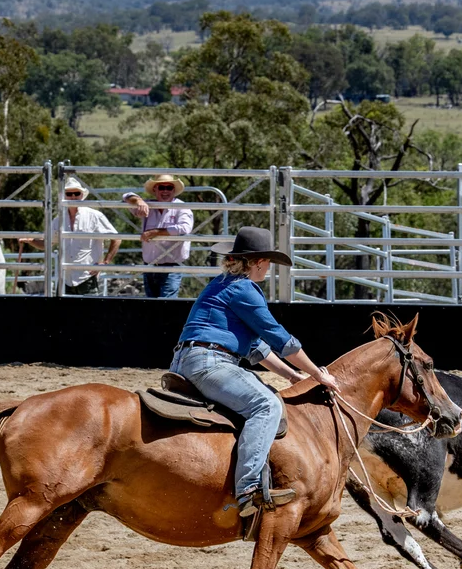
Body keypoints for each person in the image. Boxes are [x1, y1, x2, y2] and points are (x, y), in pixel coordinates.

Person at [171, 227, 340, 536]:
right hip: (210, 362)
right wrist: (318, 374)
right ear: (259, 262)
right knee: (266, 405)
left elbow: (255, 348)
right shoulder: (245, 289)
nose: (269, 269)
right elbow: (278, 337)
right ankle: (248, 487)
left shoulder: (222, 285)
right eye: (269, 263)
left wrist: (292, 375)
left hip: (190, 359)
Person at [19, 175, 121, 295]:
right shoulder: (59, 219)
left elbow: (117, 238)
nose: (73, 196)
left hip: (87, 277)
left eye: (76, 193)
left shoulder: (94, 216)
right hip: (65, 279)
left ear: (82, 196)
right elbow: (47, 244)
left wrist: (105, 263)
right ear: (64, 196)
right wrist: (31, 240)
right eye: (69, 193)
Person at [122, 175, 194, 298]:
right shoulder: (147, 205)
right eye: (161, 187)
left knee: (166, 305)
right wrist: (138, 201)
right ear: (155, 189)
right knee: (153, 306)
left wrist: (155, 232)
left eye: (169, 187)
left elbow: (185, 228)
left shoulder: (182, 207)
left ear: (173, 191)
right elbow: (126, 196)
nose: (165, 191)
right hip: (149, 266)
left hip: (171, 266)